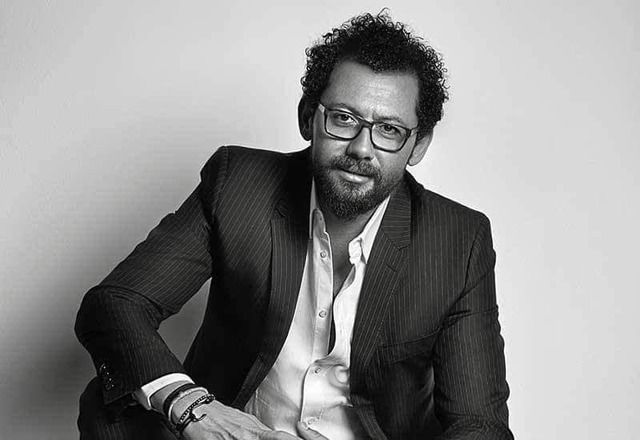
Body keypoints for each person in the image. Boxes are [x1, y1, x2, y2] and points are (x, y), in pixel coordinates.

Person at [75, 11, 513, 440]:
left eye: (389, 129)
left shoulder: (457, 240)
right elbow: (115, 304)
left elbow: (480, 426)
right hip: (235, 434)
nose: (362, 149)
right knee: (110, 410)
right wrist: (193, 407)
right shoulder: (238, 185)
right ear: (308, 118)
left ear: (418, 145)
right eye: (343, 118)